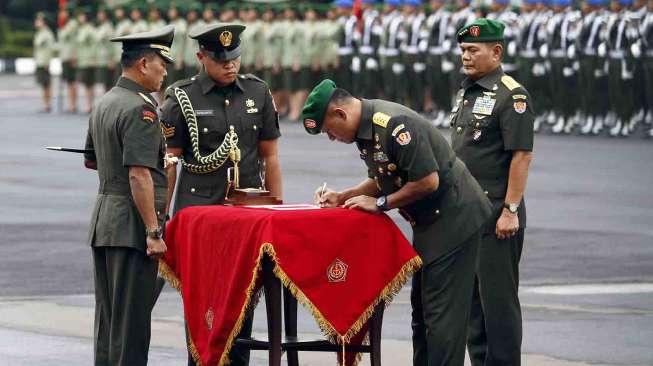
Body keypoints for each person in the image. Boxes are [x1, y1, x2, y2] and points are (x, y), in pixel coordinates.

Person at [301, 79, 492, 366]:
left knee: (442, 318)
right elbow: (384, 177)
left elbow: (427, 181)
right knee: (423, 313)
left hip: (455, 219)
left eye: (329, 130)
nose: (331, 138)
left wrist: (380, 205)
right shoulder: (366, 132)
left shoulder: (394, 124)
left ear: (340, 114)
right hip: (430, 224)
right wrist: (345, 196)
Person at [160, 23, 282, 366]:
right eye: (221, 59)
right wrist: (160, 220)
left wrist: (276, 209)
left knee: (243, 299)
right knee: (203, 303)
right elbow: (170, 163)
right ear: (201, 57)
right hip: (199, 213)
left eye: (235, 58)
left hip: (247, 214)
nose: (230, 65)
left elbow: (270, 157)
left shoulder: (258, 92)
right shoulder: (181, 98)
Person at [82, 25, 174, 366]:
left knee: (109, 322)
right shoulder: (141, 110)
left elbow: (91, 159)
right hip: (132, 227)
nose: (165, 71)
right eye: (161, 64)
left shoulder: (105, 101)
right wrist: (153, 231)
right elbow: (139, 174)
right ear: (143, 64)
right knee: (132, 325)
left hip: (105, 221)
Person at [449, 19, 534, 366]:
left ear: (496, 52)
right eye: (463, 51)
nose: (466, 57)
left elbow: (522, 155)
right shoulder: (467, 91)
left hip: (497, 214)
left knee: (497, 304)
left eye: (473, 50)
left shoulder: (512, 95)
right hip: (467, 215)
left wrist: (510, 209)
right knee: (472, 304)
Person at [57, 5, 78, 113]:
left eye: (64, 12)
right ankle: (71, 104)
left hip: (70, 56)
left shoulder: (72, 25)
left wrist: (75, 55)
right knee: (69, 82)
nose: (61, 14)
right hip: (65, 56)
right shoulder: (65, 25)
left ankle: (73, 105)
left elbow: (76, 41)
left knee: (72, 81)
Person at [33, 12, 56, 113]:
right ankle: (45, 104)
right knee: (43, 84)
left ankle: (47, 104)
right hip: (40, 61)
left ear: (44, 22)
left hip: (44, 62)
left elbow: (49, 49)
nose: (37, 22)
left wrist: (47, 62)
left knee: (47, 84)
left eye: (39, 20)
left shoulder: (47, 34)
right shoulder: (40, 33)